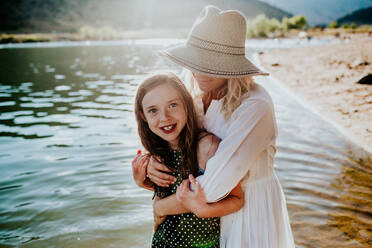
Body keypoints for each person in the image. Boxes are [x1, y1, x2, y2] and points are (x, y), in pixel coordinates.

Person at [133, 5, 295, 248]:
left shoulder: (254, 105)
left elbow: (215, 185)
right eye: (195, 61)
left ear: (231, 64)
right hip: (205, 219)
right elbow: (176, 145)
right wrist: (149, 168)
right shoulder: (195, 95)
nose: (198, 71)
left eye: (210, 63)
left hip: (249, 211)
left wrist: (161, 207)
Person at [132, 73, 244, 248]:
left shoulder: (207, 147)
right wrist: (143, 182)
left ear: (186, 103)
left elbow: (237, 199)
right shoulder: (158, 151)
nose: (164, 117)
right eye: (153, 110)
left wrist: (202, 210)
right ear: (143, 116)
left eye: (173, 105)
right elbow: (173, 190)